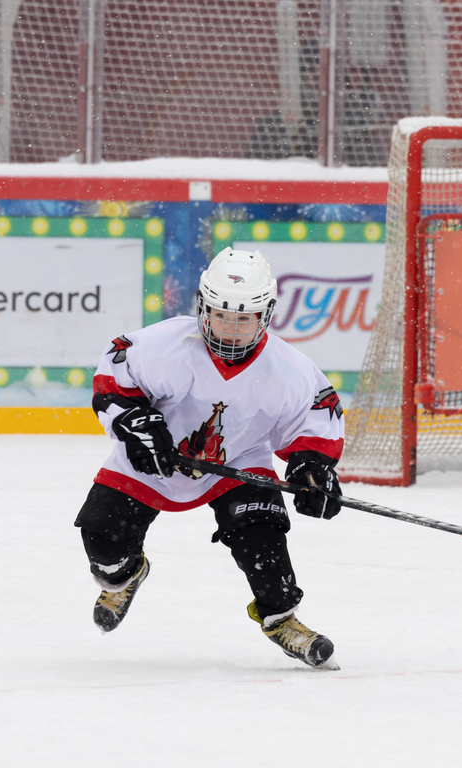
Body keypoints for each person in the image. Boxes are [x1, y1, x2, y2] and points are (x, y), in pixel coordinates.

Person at [75, 247, 344, 669]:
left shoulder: (290, 370)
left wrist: (312, 466)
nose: (230, 330)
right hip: (153, 459)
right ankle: (124, 576)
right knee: (103, 541)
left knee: (262, 533)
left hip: (237, 461)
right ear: (202, 307)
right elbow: (115, 376)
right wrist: (135, 423)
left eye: (243, 319)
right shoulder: (164, 345)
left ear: (265, 316)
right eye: (221, 315)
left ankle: (281, 618)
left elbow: (315, 416)